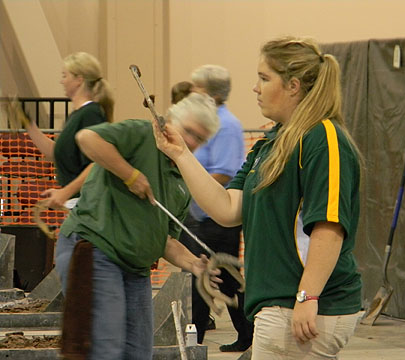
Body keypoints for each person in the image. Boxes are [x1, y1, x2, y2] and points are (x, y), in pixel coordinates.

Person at [155, 36, 363, 359]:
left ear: (293, 86)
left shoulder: (323, 138)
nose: (255, 88)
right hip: (277, 307)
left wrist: (308, 297)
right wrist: (181, 154)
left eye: (264, 79)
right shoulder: (271, 143)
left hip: (304, 308)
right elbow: (227, 208)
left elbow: (329, 228)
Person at [55, 92, 220, 359]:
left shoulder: (181, 178)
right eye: (188, 131)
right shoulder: (141, 133)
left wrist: (194, 264)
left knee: (139, 352)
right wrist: (130, 175)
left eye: (199, 139)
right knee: (104, 349)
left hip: (136, 268)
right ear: (171, 120)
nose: (191, 141)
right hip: (95, 250)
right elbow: (87, 139)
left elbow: (165, 240)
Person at [179, 65, 253, 351]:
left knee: (212, 280)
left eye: (197, 89)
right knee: (220, 280)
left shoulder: (227, 125)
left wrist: (192, 187)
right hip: (201, 214)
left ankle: (194, 341)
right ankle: (246, 334)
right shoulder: (208, 121)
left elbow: (224, 172)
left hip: (217, 219)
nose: (192, 93)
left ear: (211, 94)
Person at [22, 51, 114, 209]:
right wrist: (28, 125)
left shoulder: (91, 113)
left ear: (79, 80)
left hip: (87, 205)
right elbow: (56, 153)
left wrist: (66, 192)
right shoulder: (77, 115)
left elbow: (97, 163)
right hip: (77, 204)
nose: (61, 81)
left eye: (65, 76)